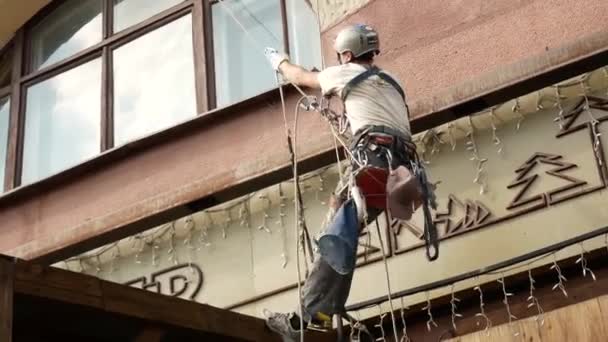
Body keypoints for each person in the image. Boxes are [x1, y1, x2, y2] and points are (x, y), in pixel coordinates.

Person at [263, 24, 437, 341]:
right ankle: (326, 311)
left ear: (346, 54)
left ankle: (305, 320)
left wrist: (280, 62)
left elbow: (301, 78)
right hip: (403, 171)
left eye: (341, 57)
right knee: (342, 227)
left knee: (333, 235)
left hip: (374, 164)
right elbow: (366, 108)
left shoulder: (342, 74)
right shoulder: (391, 81)